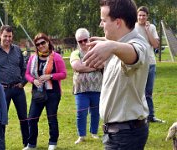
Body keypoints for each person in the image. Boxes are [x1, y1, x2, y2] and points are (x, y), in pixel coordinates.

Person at [83, 0, 150, 149]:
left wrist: (110, 45)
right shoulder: (117, 44)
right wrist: (107, 43)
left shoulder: (136, 44)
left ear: (118, 22)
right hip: (118, 134)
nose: (101, 25)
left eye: (104, 20)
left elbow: (135, 54)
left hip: (126, 136)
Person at [0, 25, 29, 147]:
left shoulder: (17, 50)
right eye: (5, 36)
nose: (7, 39)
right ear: (0, 35)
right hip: (2, 90)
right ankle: (0, 145)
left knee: (23, 118)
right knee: (1, 119)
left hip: (18, 89)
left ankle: (27, 144)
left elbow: (24, 69)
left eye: (10, 36)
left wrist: (22, 83)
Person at [24, 33, 67, 150]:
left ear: (48, 42)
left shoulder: (56, 57)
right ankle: (31, 144)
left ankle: (52, 143)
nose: (41, 45)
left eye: (43, 42)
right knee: (32, 118)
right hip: (37, 92)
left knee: (51, 118)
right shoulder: (33, 58)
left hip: (53, 93)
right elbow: (27, 74)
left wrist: (50, 76)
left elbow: (64, 74)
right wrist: (33, 81)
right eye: (38, 44)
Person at [70, 28, 103, 144]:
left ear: (89, 38)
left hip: (97, 88)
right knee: (81, 112)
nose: (83, 43)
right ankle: (81, 135)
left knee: (95, 112)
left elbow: (103, 64)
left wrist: (85, 65)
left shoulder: (97, 51)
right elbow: (77, 67)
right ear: (77, 42)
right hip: (81, 89)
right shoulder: (75, 53)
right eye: (80, 41)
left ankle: (94, 132)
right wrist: (95, 66)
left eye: (85, 40)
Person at [135, 6, 164, 123]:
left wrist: (147, 30)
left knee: (148, 92)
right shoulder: (133, 27)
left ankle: (150, 116)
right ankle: (138, 116)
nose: (141, 17)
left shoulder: (151, 27)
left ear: (147, 16)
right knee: (137, 91)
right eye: (140, 15)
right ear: (137, 16)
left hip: (150, 63)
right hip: (137, 63)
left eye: (144, 15)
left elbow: (155, 45)